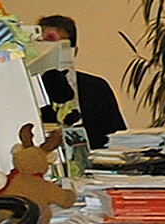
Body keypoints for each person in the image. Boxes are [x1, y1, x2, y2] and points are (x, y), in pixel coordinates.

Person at [38, 15, 126, 149]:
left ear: (74, 50)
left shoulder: (96, 87)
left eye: (60, 45)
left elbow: (116, 135)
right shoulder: (31, 88)